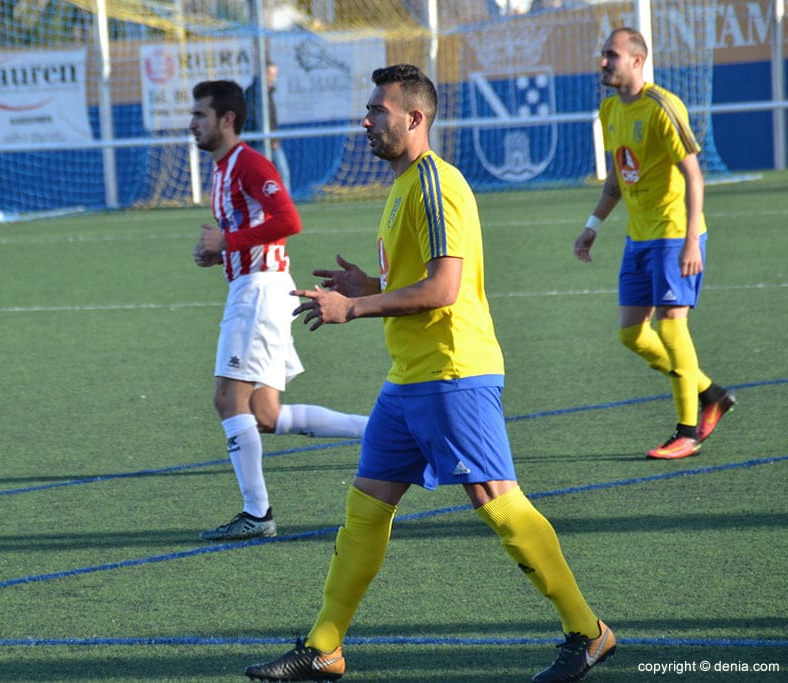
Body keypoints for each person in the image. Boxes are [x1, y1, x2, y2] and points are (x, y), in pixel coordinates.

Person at [244, 64, 615, 683]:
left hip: (452, 372)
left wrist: (355, 306)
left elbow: (446, 287)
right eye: (367, 109)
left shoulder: (435, 185)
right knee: (366, 507)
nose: (366, 120)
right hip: (409, 378)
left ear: (414, 118)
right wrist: (374, 284)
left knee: (497, 503)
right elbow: (421, 277)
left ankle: (588, 631)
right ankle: (325, 647)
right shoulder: (404, 185)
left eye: (378, 110)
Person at [189, 80, 368, 543]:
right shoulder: (222, 169)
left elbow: (289, 220)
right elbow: (254, 230)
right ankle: (382, 431)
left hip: (260, 293)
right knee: (265, 414)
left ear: (226, 120)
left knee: (228, 400)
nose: (192, 124)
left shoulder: (249, 163)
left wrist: (228, 242)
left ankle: (257, 513)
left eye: (200, 116)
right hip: (252, 288)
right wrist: (220, 254)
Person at [573, 28, 735, 460]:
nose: (603, 62)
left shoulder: (663, 106)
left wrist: (690, 243)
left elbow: (694, 176)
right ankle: (709, 392)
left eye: (612, 55)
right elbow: (616, 178)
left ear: (638, 61)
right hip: (639, 237)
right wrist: (593, 225)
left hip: (674, 234)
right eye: (603, 54)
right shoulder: (609, 110)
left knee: (670, 326)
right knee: (631, 333)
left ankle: (688, 432)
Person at [245, 62, 291, 192]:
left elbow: (271, 119)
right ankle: (265, 205)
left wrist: (274, 138)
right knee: (263, 176)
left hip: (271, 140)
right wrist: (268, 138)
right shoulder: (253, 93)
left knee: (283, 173)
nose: (272, 77)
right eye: (269, 74)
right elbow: (255, 118)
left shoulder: (268, 92)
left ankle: (285, 204)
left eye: (274, 74)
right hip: (259, 142)